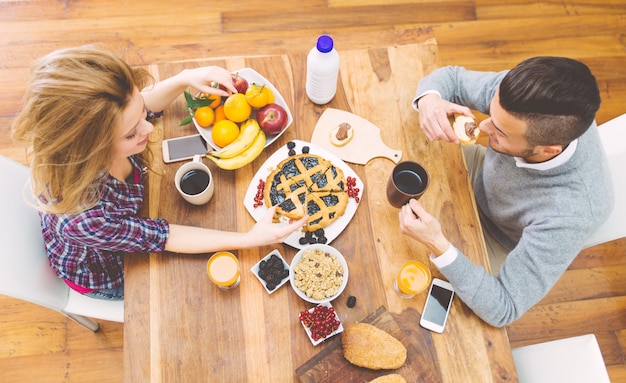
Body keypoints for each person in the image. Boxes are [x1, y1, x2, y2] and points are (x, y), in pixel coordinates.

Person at [11, 45, 307, 301]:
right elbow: (165, 237)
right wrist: (248, 239)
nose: (149, 128)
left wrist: (184, 78)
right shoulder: (85, 219)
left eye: (141, 111)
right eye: (131, 134)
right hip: (107, 270)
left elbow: (133, 109)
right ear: (91, 150)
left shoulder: (105, 123)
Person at [399, 56, 613, 327]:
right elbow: (452, 78)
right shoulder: (523, 96)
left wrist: (437, 244)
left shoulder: (571, 213)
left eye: (499, 132)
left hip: (495, 238)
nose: (483, 127)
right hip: (478, 176)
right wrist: (430, 100)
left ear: (548, 151)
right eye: (491, 113)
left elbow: (504, 308)